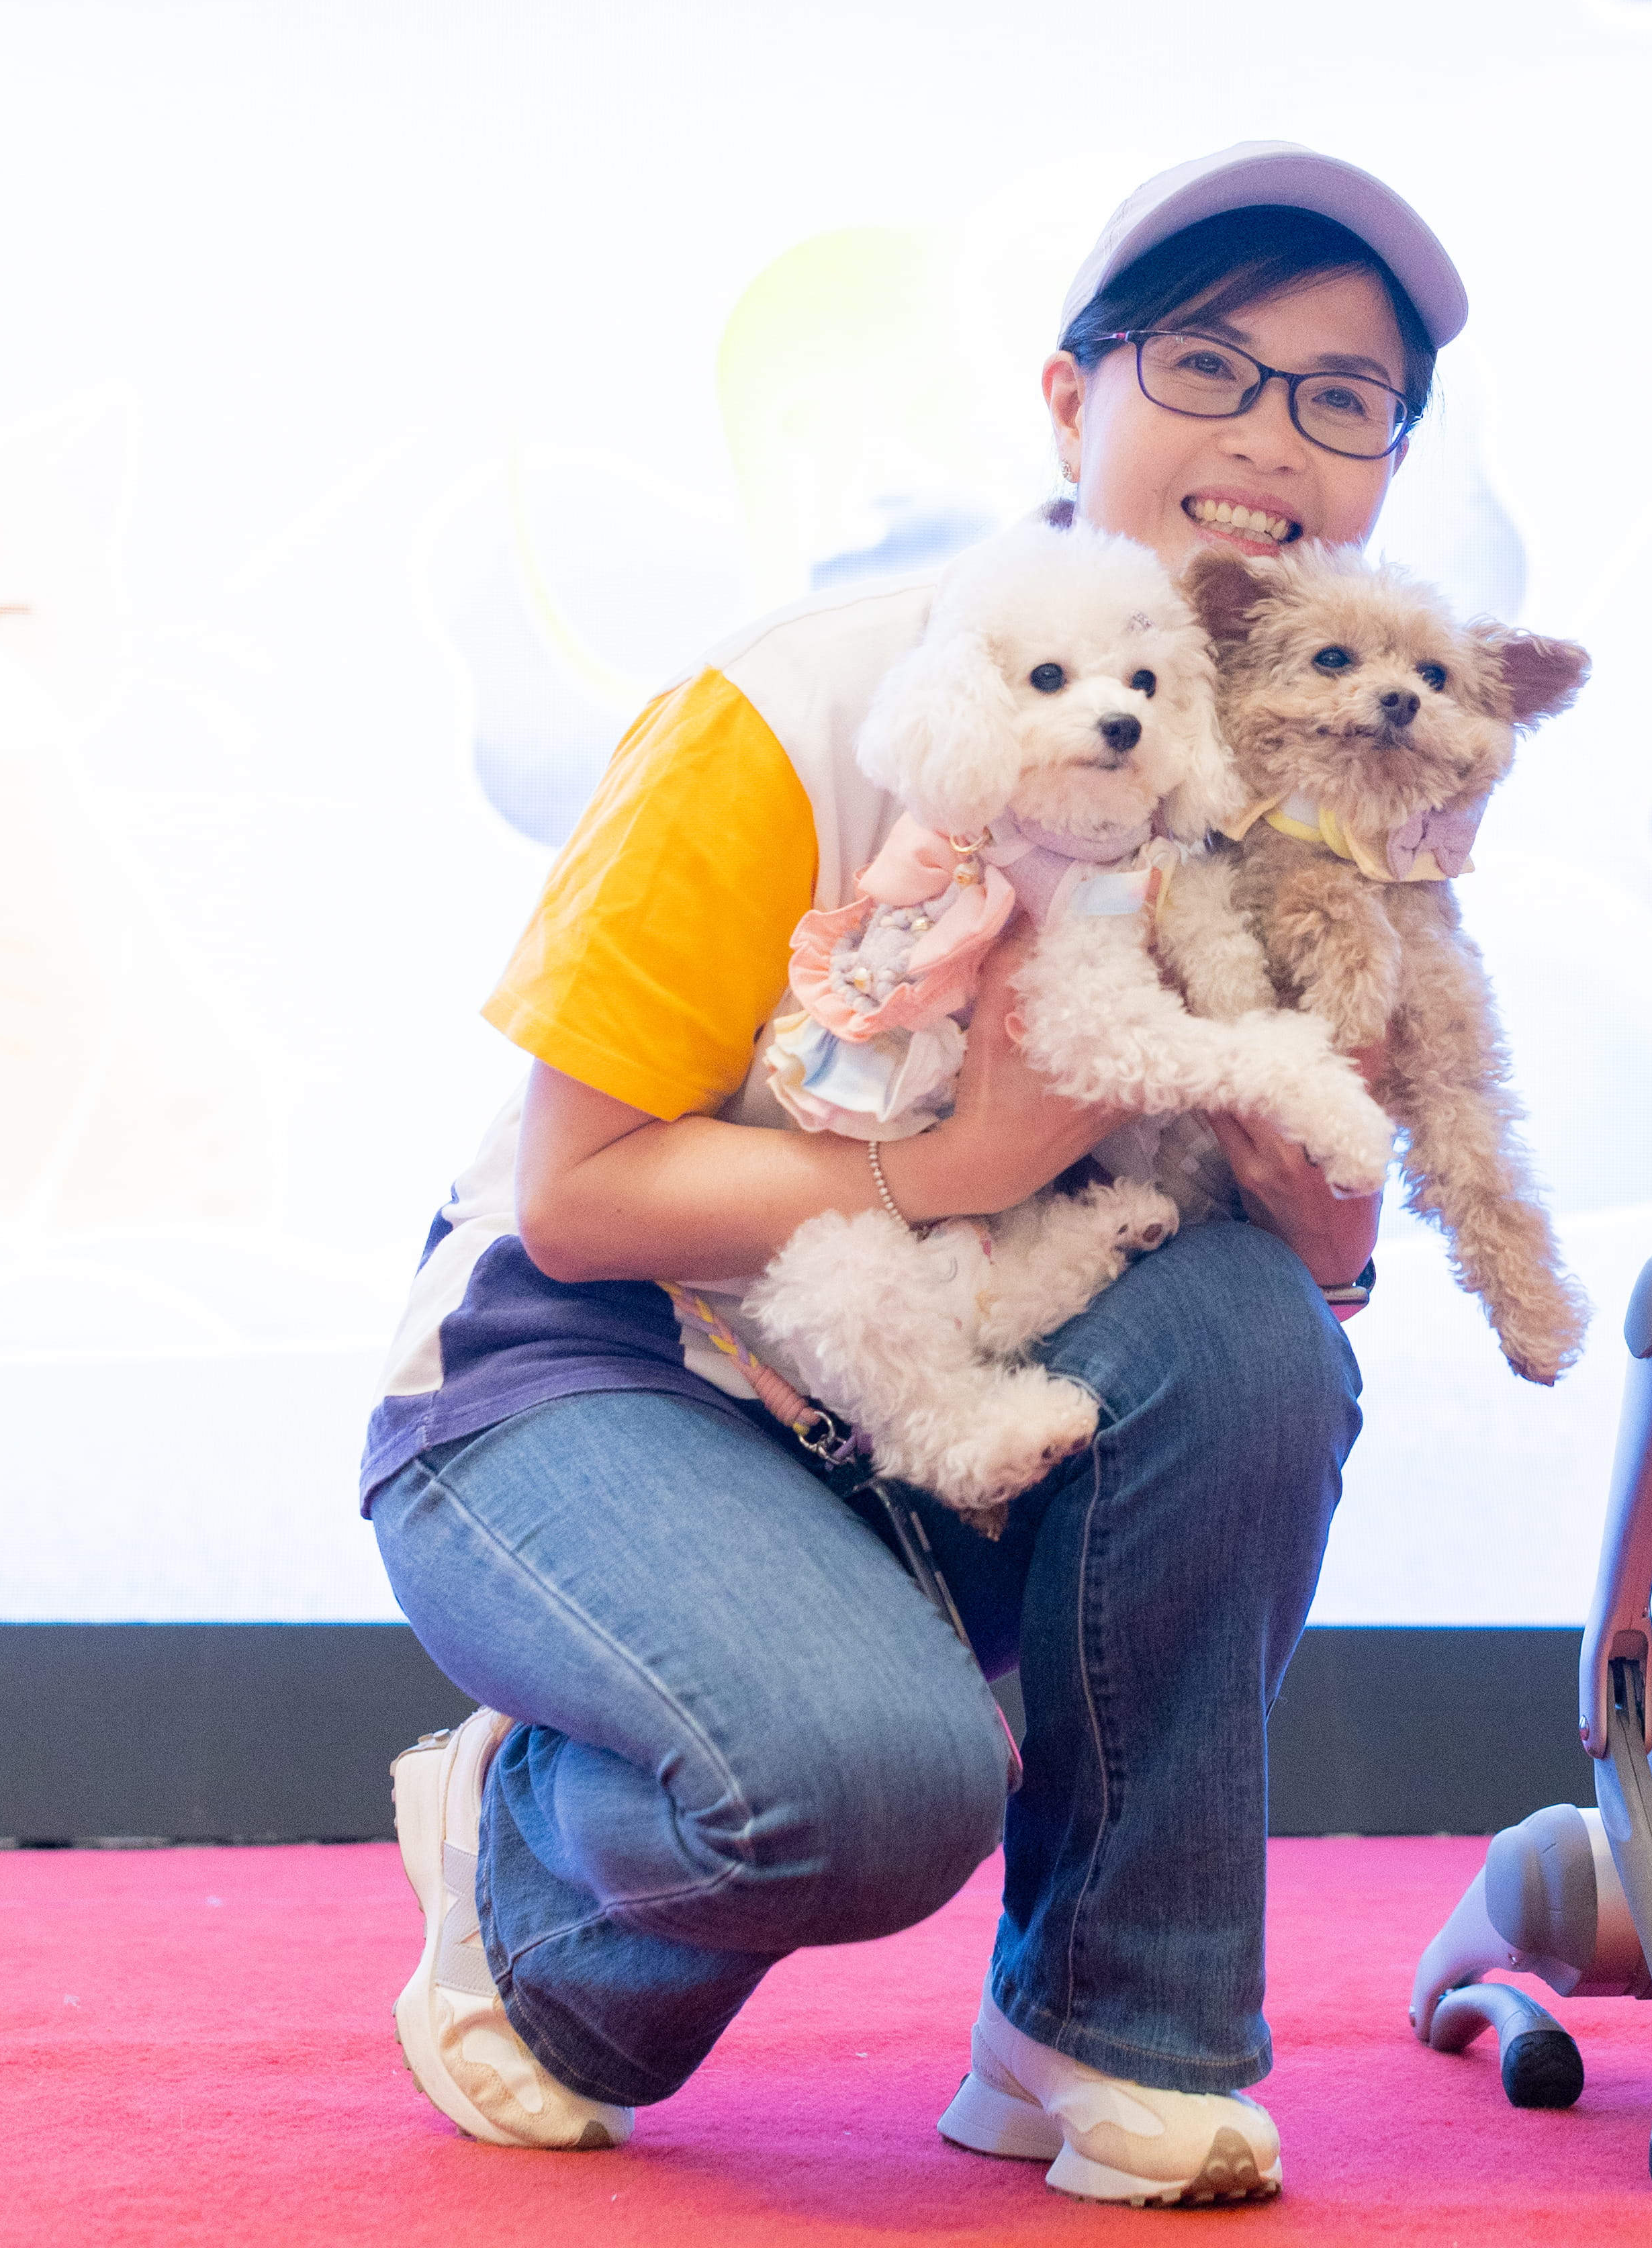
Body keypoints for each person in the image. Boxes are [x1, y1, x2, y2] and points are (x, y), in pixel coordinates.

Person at [361, 144, 1467, 2204]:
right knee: (860, 1793)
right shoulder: (804, 693)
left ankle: (1110, 2023)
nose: (1269, 440)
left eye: (1343, 399)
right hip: (596, 1376)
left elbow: (1314, 1275)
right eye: (1208, 367)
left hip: (949, 1393)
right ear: (1069, 400)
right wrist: (966, 1159)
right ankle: (524, 1872)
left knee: (1255, 1342)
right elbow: (578, 1201)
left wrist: (1327, 1152)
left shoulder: (1327, 771)